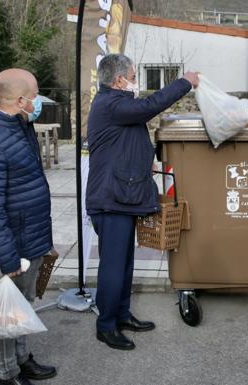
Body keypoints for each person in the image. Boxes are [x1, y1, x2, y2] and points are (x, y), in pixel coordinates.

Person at [86, 53, 199, 350]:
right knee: (112, 266)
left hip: (121, 196)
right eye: (134, 77)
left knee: (124, 263)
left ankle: (121, 315)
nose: (136, 82)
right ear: (119, 80)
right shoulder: (111, 103)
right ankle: (106, 326)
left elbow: (127, 138)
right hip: (110, 200)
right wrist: (184, 82)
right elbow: (150, 106)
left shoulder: (116, 104)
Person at [0, 68, 57, 385]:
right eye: (34, 97)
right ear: (20, 101)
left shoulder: (20, 126)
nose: (39, 102)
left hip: (30, 240)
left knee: (23, 308)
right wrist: (6, 257)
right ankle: (7, 375)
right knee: (5, 317)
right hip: (10, 250)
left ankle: (21, 360)